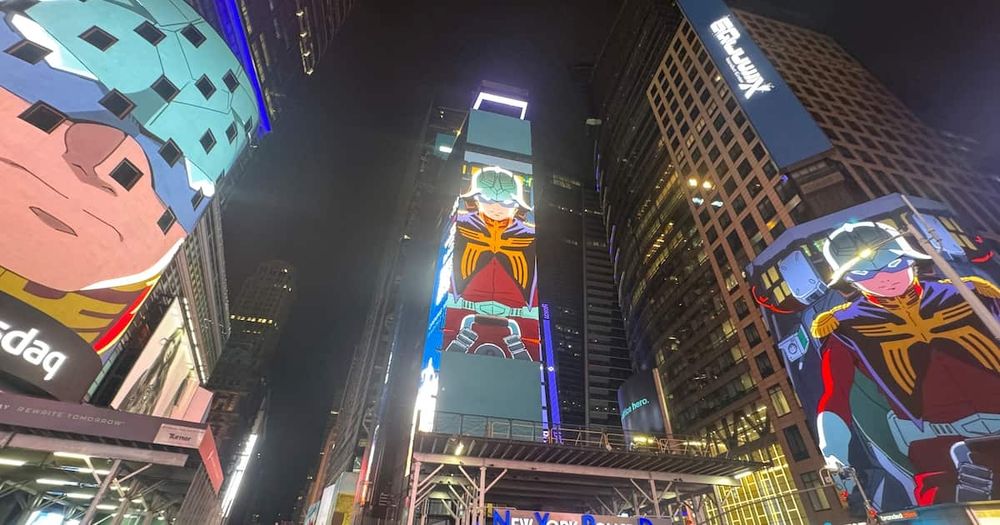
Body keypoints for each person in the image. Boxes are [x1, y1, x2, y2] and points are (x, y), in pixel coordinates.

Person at [811, 220, 1000, 506]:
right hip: (938, 448)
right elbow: (835, 395)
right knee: (952, 512)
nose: (885, 278)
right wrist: (835, 455)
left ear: (910, 260)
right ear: (850, 280)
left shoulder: (969, 293)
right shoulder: (843, 327)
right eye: (865, 273)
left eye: (893, 264)